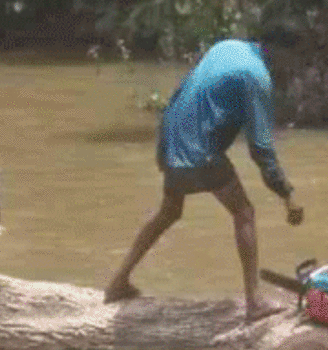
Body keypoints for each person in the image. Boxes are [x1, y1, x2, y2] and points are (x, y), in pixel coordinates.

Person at [104, 38, 304, 321]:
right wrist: (286, 194)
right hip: (199, 150)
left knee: (169, 211)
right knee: (244, 212)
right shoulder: (256, 76)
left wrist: (164, 149)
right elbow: (260, 146)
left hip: (172, 136)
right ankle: (254, 303)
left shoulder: (227, 47)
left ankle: (118, 282)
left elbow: (184, 92)